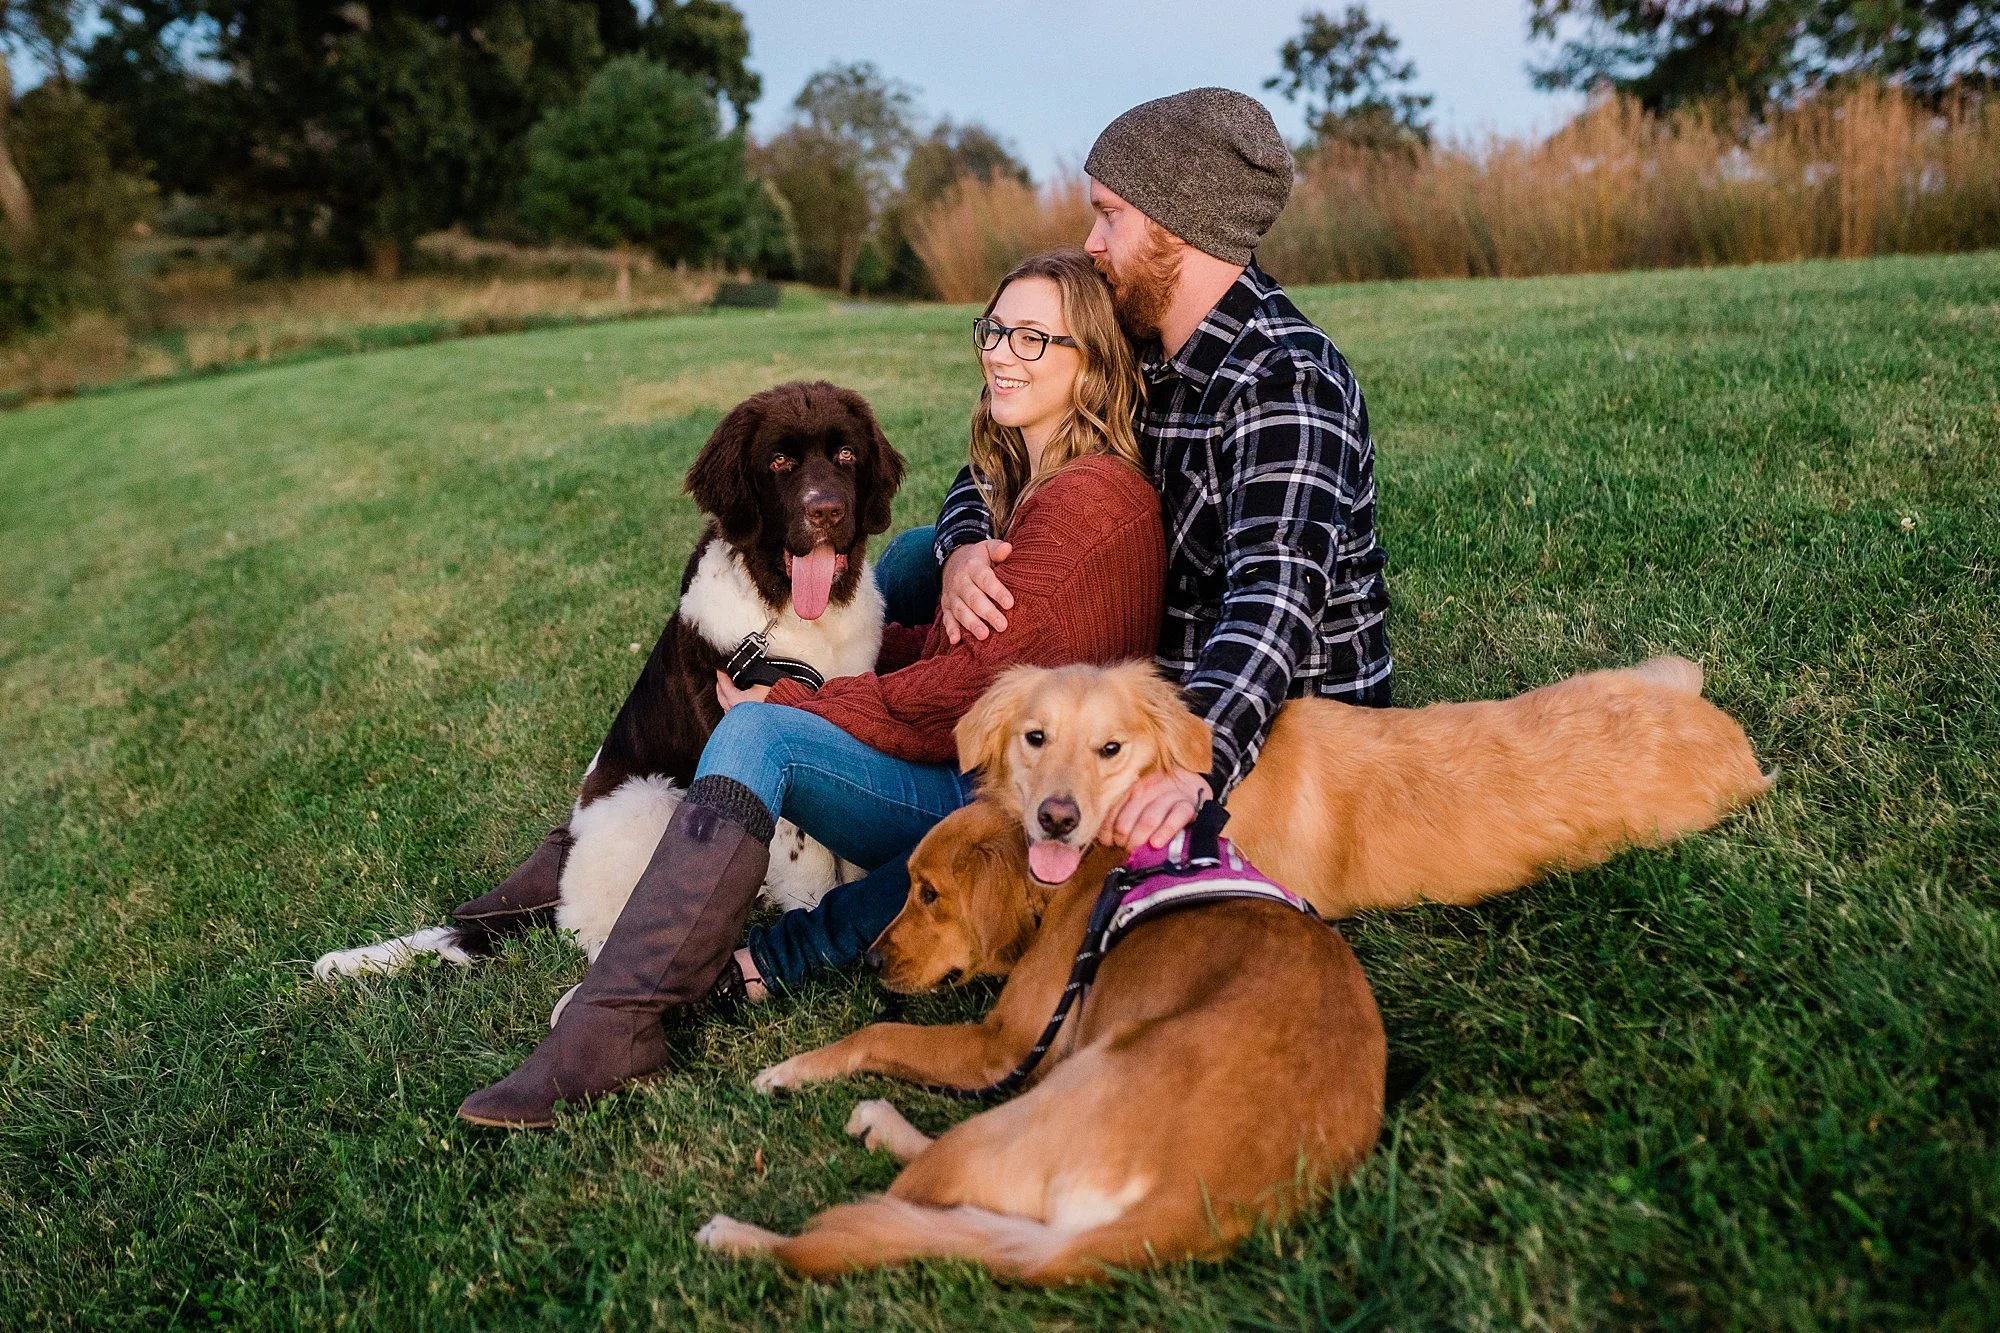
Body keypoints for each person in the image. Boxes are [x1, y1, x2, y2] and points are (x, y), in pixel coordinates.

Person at [459, 249, 1166, 1128]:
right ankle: (642, 971)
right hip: (989, 753)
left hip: (990, 796)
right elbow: (968, 656)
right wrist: (856, 648)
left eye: (1035, 337)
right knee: (896, 579)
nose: (1002, 354)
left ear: (1091, 361)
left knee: (759, 737)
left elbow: (960, 697)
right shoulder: (1032, 481)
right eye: (994, 330)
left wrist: (794, 702)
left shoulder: (1086, 502)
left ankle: (620, 1020)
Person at [921, 87, 1392, 853]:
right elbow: (999, 461)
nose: (1091, 241)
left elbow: (1273, 603)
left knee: (990, 814)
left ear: (1179, 226)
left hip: (1268, 725)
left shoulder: (1286, 383)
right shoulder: (1143, 350)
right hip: (1128, 690)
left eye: (1110, 214)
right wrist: (966, 545)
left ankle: (846, 846)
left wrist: (1191, 764)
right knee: (919, 555)